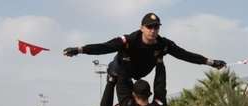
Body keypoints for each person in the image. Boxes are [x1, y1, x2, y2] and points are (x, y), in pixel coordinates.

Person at [64, 12, 226, 81]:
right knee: (119, 73)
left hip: (141, 74)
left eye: (156, 27)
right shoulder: (128, 39)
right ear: (142, 28)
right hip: (122, 69)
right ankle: (111, 75)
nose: (153, 30)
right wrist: (79, 50)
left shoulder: (164, 44)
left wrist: (211, 62)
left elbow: (185, 55)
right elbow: (104, 47)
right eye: (150, 27)